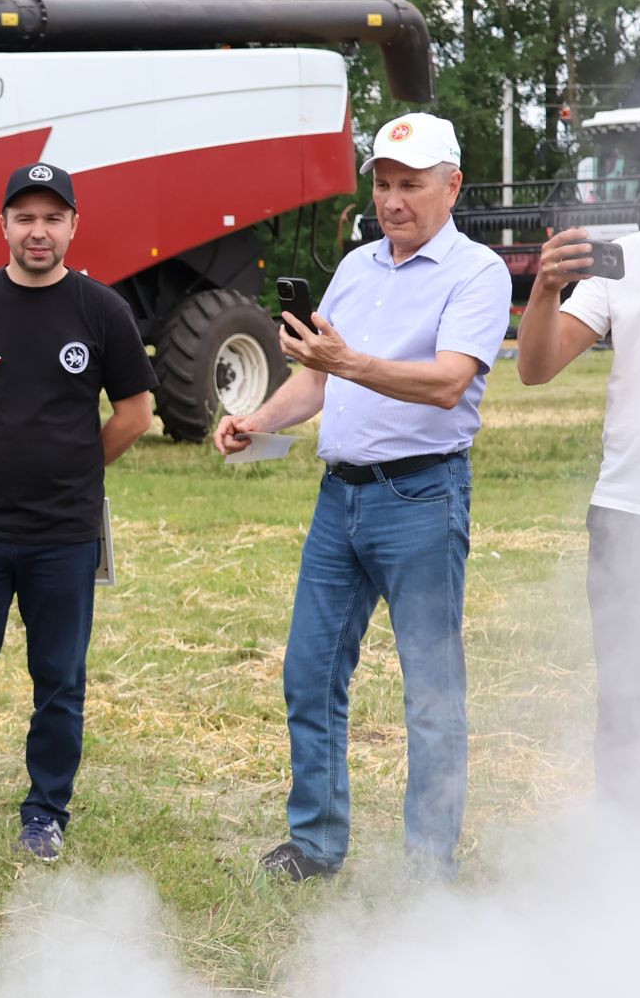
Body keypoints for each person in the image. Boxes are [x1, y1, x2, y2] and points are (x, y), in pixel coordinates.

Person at [215, 113, 511, 881]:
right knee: (308, 674)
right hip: (338, 499)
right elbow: (314, 380)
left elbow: (449, 382)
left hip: (420, 496)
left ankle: (427, 864)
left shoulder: (477, 273)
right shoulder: (354, 268)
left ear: (452, 186)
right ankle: (314, 844)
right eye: (382, 183)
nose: (392, 199)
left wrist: (347, 360)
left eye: (410, 184)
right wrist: (258, 418)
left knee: (430, 690)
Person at [0, 163, 153, 858]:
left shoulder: (102, 311)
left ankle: (45, 813)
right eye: (25, 217)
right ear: (3, 225)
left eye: (52, 218)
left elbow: (135, 414)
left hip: (65, 536)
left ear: (74, 225)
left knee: (59, 684)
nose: (37, 231)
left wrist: (75, 466)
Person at [514, 124, 640, 829]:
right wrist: (546, 289)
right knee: (627, 701)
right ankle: (625, 864)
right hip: (631, 514)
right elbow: (536, 367)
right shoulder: (626, 262)